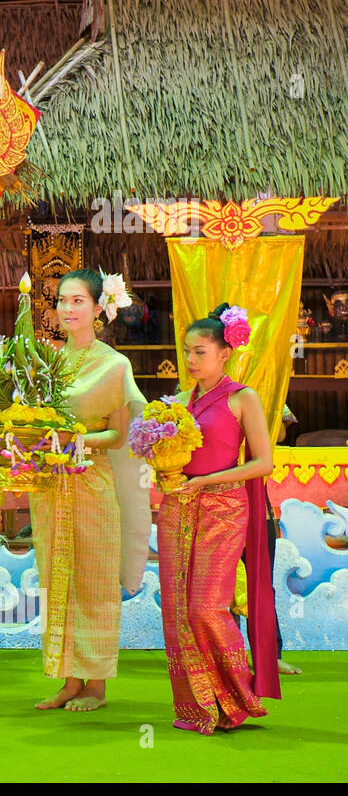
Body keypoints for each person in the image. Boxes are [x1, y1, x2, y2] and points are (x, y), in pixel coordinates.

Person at [158, 304, 280, 733]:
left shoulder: (242, 396)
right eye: (188, 351)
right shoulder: (179, 400)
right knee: (176, 611)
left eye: (201, 352)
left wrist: (207, 481)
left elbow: (263, 463)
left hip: (224, 508)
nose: (191, 360)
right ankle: (198, 707)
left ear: (225, 352)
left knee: (206, 607)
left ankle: (236, 699)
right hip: (178, 506)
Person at [29, 269, 146, 712]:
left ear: (99, 309)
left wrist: (72, 440)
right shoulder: (48, 362)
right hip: (49, 484)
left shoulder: (114, 365)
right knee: (55, 579)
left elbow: (117, 437)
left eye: (78, 301)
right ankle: (68, 678)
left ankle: (96, 684)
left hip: (91, 481)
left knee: (94, 581)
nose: (68, 308)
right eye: (62, 300)